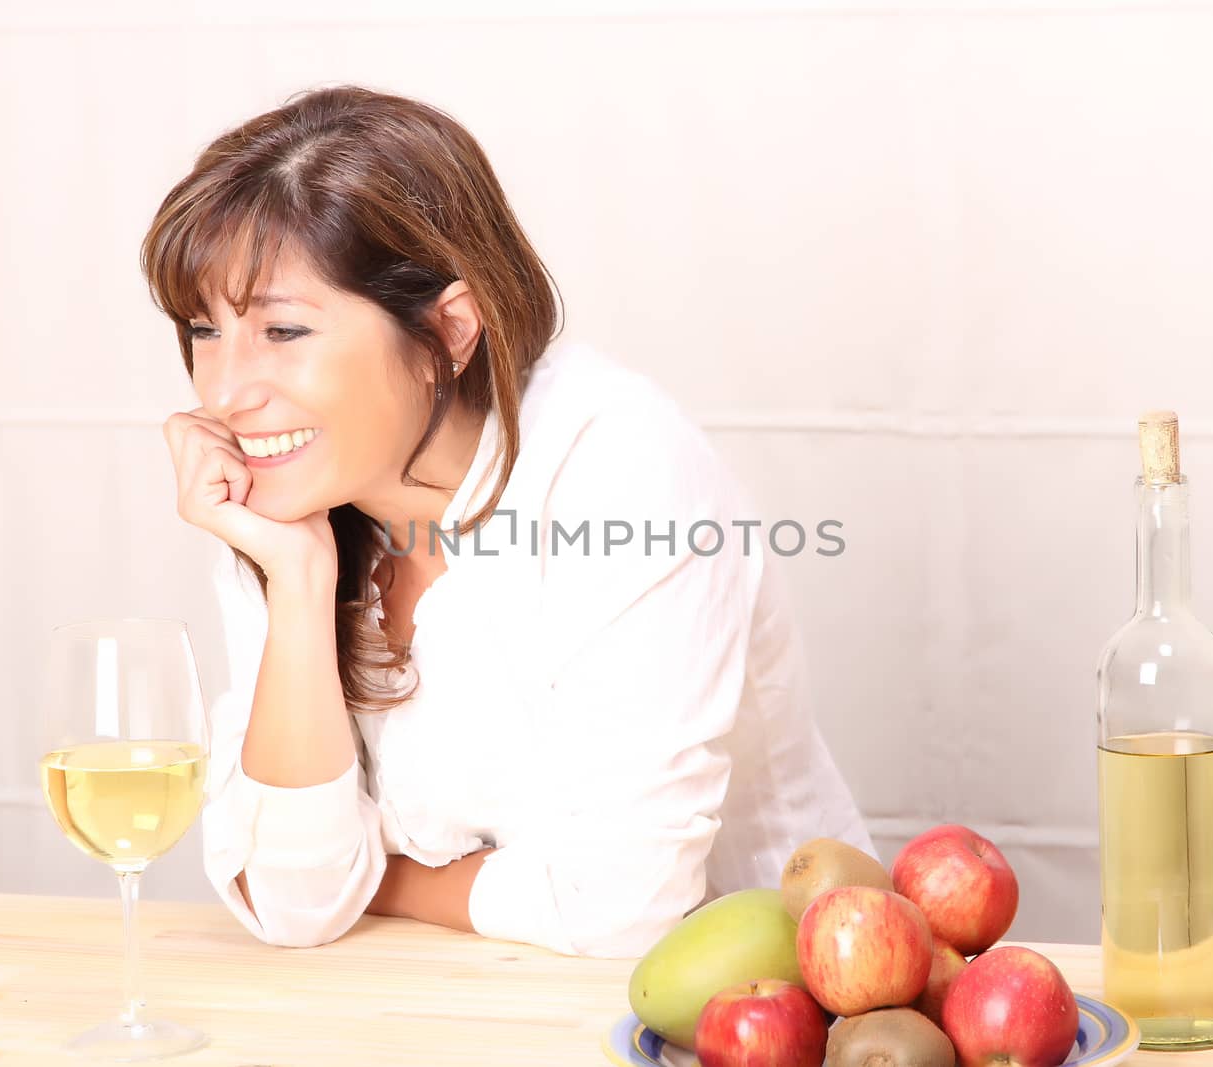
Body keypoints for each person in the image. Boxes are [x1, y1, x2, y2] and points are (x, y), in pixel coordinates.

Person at [141, 85, 870, 960]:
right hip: (447, 1010)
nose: (223, 392)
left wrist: (375, 873)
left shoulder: (621, 468)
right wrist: (297, 582)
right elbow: (294, 901)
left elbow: (622, 905)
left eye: (283, 330)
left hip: (736, 1010)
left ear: (449, 328)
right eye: (204, 330)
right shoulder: (290, 503)